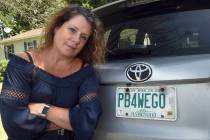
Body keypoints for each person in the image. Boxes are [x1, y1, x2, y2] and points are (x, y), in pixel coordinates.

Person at [0, 4, 105, 140]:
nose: (76, 40)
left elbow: (87, 122)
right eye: (72, 30)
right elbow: (14, 126)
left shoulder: (86, 72)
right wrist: (69, 120)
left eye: (83, 37)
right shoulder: (22, 64)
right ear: (56, 27)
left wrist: (43, 109)